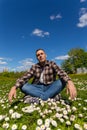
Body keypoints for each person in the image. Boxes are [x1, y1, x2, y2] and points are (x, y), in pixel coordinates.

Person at [8, 49, 77, 103]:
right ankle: (53, 98)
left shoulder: (52, 63)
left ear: (45, 55)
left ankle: (34, 99)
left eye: (42, 54)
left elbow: (60, 72)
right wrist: (14, 87)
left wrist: (69, 82)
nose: (40, 56)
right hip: (37, 88)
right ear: (37, 58)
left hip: (50, 87)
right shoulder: (34, 67)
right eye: (38, 55)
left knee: (62, 81)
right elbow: (25, 76)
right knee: (23, 86)